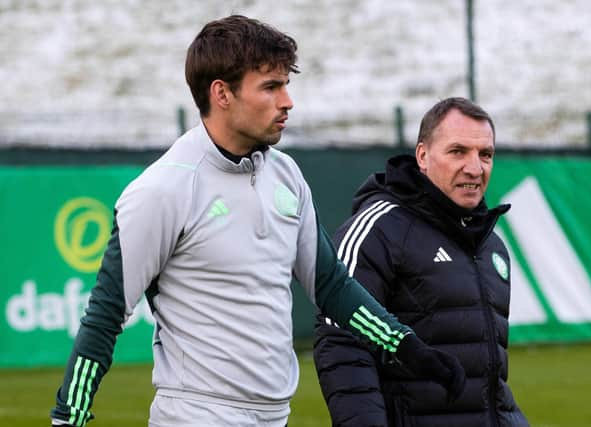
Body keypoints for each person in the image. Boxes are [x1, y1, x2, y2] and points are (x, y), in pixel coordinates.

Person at [50, 16, 466, 427]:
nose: (287, 101)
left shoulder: (286, 176)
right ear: (222, 93)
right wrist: (68, 420)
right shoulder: (163, 189)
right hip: (196, 415)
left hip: (275, 416)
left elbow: (331, 286)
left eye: (286, 84)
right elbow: (105, 316)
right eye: (270, 86)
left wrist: (408, 348)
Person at [314, 97, 530, 426]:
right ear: (423, 156)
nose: (475, 167)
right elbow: (342, 339)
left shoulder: (492, 246)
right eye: (458, 151)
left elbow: (490, 379)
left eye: (485, 154)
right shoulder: (378, 228)